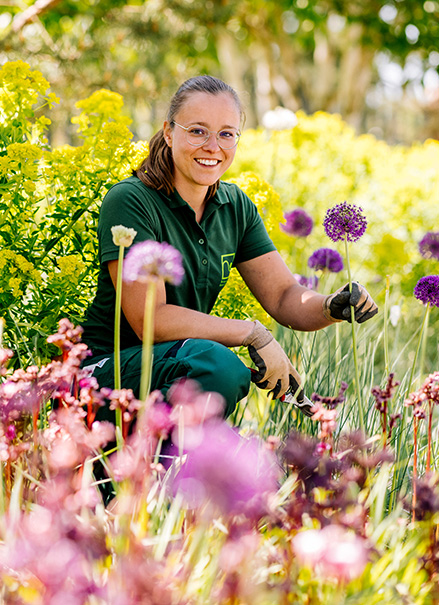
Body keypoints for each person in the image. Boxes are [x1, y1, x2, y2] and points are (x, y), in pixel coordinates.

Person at [81, 75, 378, 419]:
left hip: (177, 365)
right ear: (168, 132)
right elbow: (152, 320)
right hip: (104, 373)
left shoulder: (235, 206)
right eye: (197, 131)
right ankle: (140, 462)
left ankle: (169, 464)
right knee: (219, 368)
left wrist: (330, 306)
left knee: (216, 369)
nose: (212, 146)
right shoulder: (131, 200)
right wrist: (252, 334)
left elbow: (283, 296)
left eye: (226, 134)